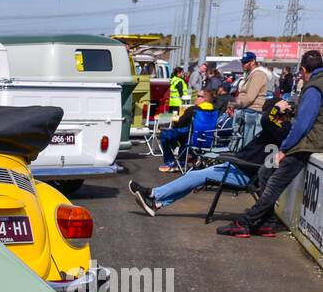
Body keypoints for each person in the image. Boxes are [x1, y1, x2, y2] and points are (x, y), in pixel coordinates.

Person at [219, 49, 323, 236]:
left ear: (304, 70)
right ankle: (267, 222)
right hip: (309, 142)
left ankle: (246, 222)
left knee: (273, 181)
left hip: (306, 144)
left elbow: (302, 125)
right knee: (265, 172)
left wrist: (284, 149)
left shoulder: (314, 87)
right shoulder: (318, 83)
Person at [129, 98, 293, 215]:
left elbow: (266, 120)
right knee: (194, 176)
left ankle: (154, 195)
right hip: (239, 167)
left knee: (194, 175)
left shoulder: (278, 130)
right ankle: (157, 202)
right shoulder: (279, 129)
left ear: (276, 115)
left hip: (243, 172)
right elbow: (267, 120)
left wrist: (277, 108)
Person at [157, 87, 218, 171]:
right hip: (207, 140)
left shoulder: (192, 110)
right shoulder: (215, 111)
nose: (196, 98)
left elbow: (179, 124)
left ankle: (171, 162)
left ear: (204, 99)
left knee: (165, 134)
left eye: (198, 96)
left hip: (192, 139)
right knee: (185, 136)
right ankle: (183, 160)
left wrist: (172, 126)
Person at [232, 50, 272, 149]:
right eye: (242, 62)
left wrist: (234, 104)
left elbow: (250, 97)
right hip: (249, 112)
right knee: (243, 142)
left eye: (246, 62)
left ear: (253, 61)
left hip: (253, 113)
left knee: (247, 145)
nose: (243, 65)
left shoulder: (258, 74)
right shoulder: (252, 74)